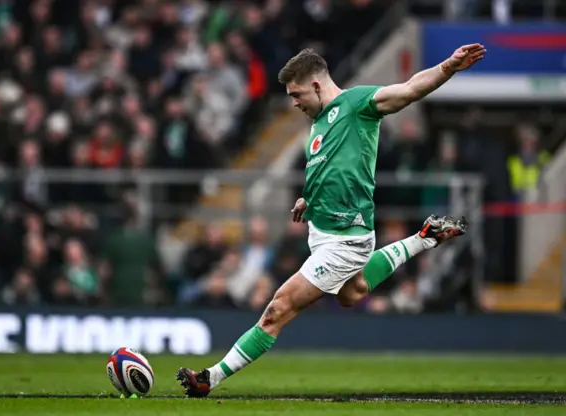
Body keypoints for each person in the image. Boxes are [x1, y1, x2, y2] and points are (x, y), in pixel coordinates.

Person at [176, 43, 487, 397]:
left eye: (296, 94)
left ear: (316, 86)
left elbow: (411, 88)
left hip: (346, 239)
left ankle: (209, 379)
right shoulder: (319, 123)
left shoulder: (357, 105)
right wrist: (309, 198)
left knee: (278, 309)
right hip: (322, 232)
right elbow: (332, 167)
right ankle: (424, 238)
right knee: (352, 293)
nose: (294, 103)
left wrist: (448, 65)